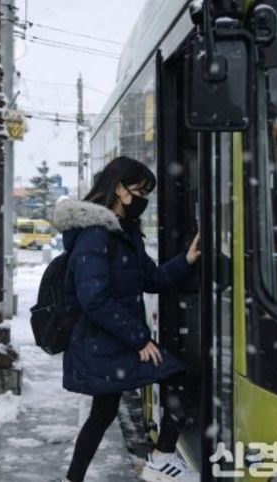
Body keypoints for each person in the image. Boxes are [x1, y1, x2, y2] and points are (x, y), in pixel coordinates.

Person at [51, 156, 201, 482]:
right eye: (140, 191)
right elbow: (94, 298)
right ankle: (161, 458)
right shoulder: (94, 236)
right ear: (120, 189)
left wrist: (186, 260)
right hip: (102, 343)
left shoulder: (124, 233)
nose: (143, 199)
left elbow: (152, 279)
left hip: (112, 342)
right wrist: (140, 339)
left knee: (102, 413)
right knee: (182, 380)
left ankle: (73, 479)